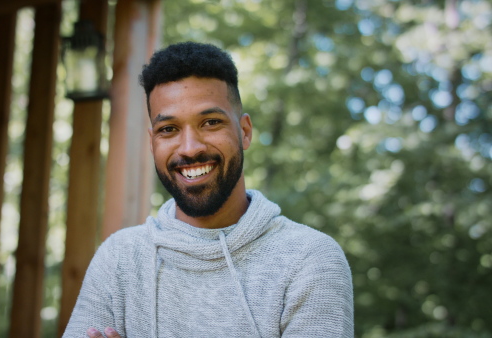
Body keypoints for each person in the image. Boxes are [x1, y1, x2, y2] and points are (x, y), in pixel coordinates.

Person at [62, 42, 353, 338]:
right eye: (168, 129)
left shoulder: (310, 259)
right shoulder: (119, 258)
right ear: (152, 143)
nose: (190, 148)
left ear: (245, 132)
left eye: (211, 122)